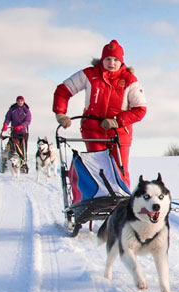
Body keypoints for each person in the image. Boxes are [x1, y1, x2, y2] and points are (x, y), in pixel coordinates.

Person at [52, 39, 146, 186]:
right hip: (93, 131)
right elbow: (63, 90)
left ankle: (122, 205)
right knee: (99, 170)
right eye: (108, 59)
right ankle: (99, 204)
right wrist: (60, 113)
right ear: (102, 59)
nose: (112, 63)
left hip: (119, 132)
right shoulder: (89, 74)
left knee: (120, 171)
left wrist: (117, 121)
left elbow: (140, 109)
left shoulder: (129, 80)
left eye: (116, 59)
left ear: (121, 61)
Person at [1, 95, 31, 167]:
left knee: (23, 149)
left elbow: (28, 121)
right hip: (14, 132)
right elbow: (8, 118)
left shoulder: (26, 110)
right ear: (16, 101)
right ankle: (9, 162)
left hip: (23, 133)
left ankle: (23, 162)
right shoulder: (12, 109)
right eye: (18, 101)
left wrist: (21, 126)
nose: (20, 102)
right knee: (12, 147)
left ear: (23, 101)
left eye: (21, 101)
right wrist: (5, 124)